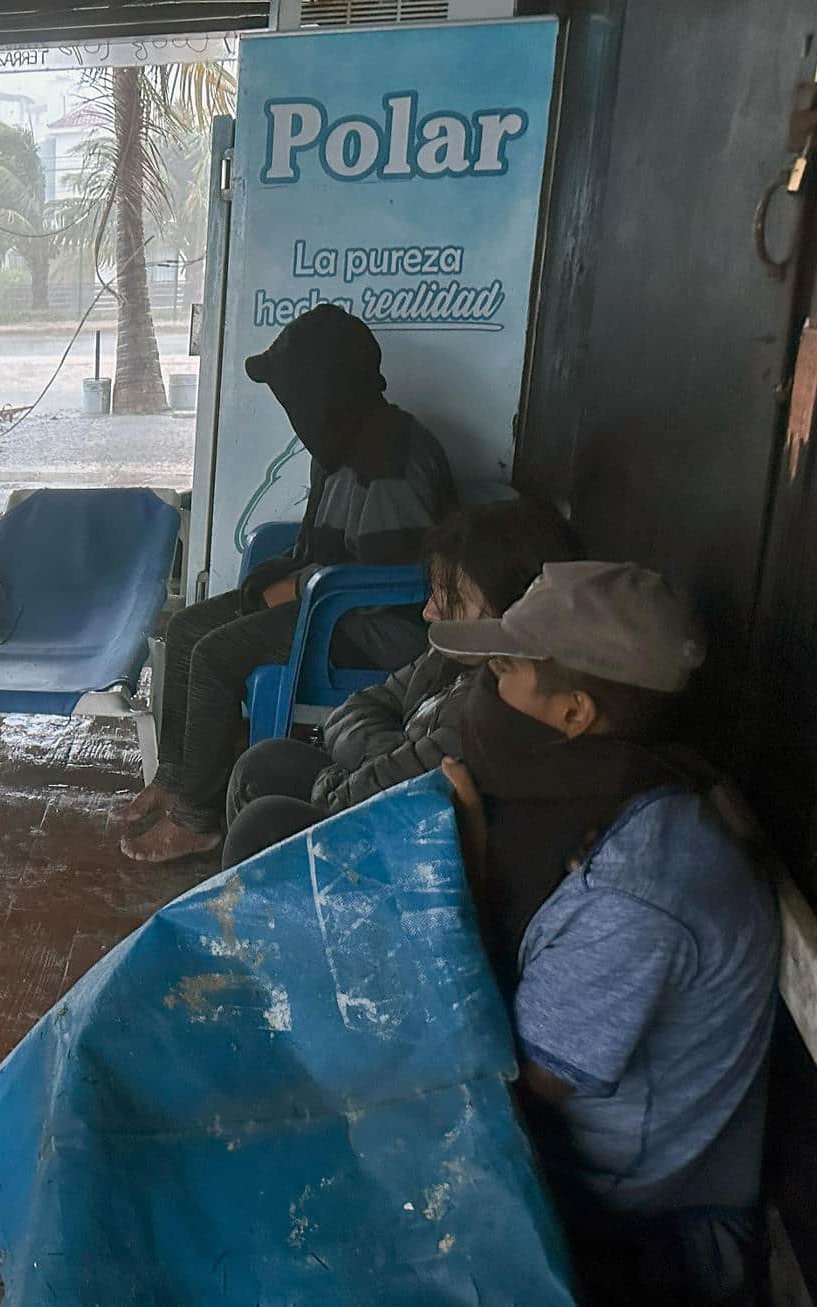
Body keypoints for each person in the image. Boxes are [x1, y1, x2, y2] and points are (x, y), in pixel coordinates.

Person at [431, 562, 778, 1307]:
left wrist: (469, 876)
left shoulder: (639, 890)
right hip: (588, 1169)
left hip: (642, 1226)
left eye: (504, 671)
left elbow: (520, 1085)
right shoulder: (616, 789)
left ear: (574, 714)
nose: (486, 692)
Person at [120, 303, 457, 862]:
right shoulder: (341, 441)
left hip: (375, 629)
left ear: (328, 389)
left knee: (214, 654)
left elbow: (389, 578)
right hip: (329, 602)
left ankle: (198, 819)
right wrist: (287, 583)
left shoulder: (393, 458)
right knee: (187, 628)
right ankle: (177, 780)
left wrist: (301, 590)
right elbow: (319, 546)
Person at [216, 498, 580, 869]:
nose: (429, 612)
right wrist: (391, 755)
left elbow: (412, 791)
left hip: (415, 849)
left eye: (451, 598)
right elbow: (355, 709)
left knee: (262, 826)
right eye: (435, 592)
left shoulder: (502, 698)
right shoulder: (447, 657)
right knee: (262, 765)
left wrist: (350, 781)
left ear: (513, 605)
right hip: (372, 791)